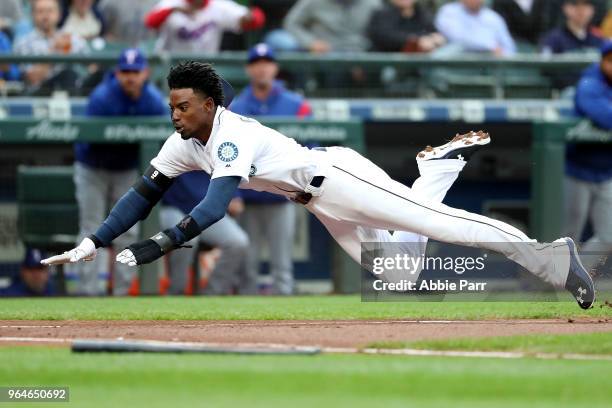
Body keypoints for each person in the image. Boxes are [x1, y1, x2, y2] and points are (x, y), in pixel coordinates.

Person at [42, 61, 595, 311]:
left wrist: (157, 245)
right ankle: (437, 170)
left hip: (336, 177)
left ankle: (553, 257)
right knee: (398, 278)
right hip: (317, 202)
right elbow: (144, 194)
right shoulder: (183, 141)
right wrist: (97, 240)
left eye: (184, 105)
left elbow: (212, 209)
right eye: (172, 105)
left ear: (209, 104)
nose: (175, 113)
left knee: (444, 228)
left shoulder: (231, 132)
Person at [73, 48, 166, 296]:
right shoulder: (102, 97)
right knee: (91, 228)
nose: (130, 77)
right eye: (126, 71)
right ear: (117, 73)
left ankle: (122, 293)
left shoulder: (153, 101)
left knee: (128, 231)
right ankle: (88, 292)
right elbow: (92, 140)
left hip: (125, 169)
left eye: (135, 72)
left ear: (145, 73)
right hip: (94, 168)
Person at [229, 44, 311, 295]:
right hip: (249, 196)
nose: (262, 68)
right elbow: (226, 153)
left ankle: (285, 322)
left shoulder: (297, 104)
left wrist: (303, 185)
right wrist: (233, 194)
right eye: (257, 63)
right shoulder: (235, 107)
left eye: (267, 62)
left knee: (282, 262)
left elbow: (311, 146)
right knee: (248, 263)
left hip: (283, 195)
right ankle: (246, 320)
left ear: (275, 68)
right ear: (249, 69)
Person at [160, 171, 250, 295]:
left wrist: (233, 194)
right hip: (172, 207)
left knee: (238, 241)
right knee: (187, 238)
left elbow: (227, 170)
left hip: (206, 208)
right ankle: (176, 293)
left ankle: (212, 295)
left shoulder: (215, 152)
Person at [564, 41, 612, 272]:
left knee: (608, 236)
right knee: (567, 236)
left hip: (607, 173)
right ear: (602, 60)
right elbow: (605, 116)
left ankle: (573, 278)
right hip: (576, 170)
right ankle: (540, 284)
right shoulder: (589, 81)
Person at [13, 0, 89, 94]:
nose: (46, 16)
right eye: (40, 11)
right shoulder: (23, 43)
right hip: (41, 93)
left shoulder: (72, 39)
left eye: (50, 11)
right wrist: (54, 51)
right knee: (67, 75)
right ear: (32, 15)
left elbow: (91, 67)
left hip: (76, 89)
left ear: (59, 14)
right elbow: (32, 79)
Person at [144, 0, 265, 53]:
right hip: (171, 66)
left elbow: (258, 18)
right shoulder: (171, 3)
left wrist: (249, 18)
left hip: (202, 70)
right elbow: (150, 22)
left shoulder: (218, 6)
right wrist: (172, 11)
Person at [283, 0, 381, 53]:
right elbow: (291, 22)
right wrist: (311, 42)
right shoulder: (313, 1)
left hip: (360, 52)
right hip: (325, 51)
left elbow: (381, 33)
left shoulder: (373, 3)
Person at [434, 0, 517, 56]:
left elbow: (509, 47)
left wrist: (502, 53)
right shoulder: (448, 11)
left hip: (490, 67)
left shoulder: (493, 17)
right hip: (457, 61)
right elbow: (459, 38)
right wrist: (490, 47)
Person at [367, 0, 446, 53]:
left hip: (420, 62)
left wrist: (435, 38)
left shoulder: (421, 13)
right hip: (388, 61)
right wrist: (417, 40)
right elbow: (386, 36)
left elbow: (432, 31)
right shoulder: (382, 13)